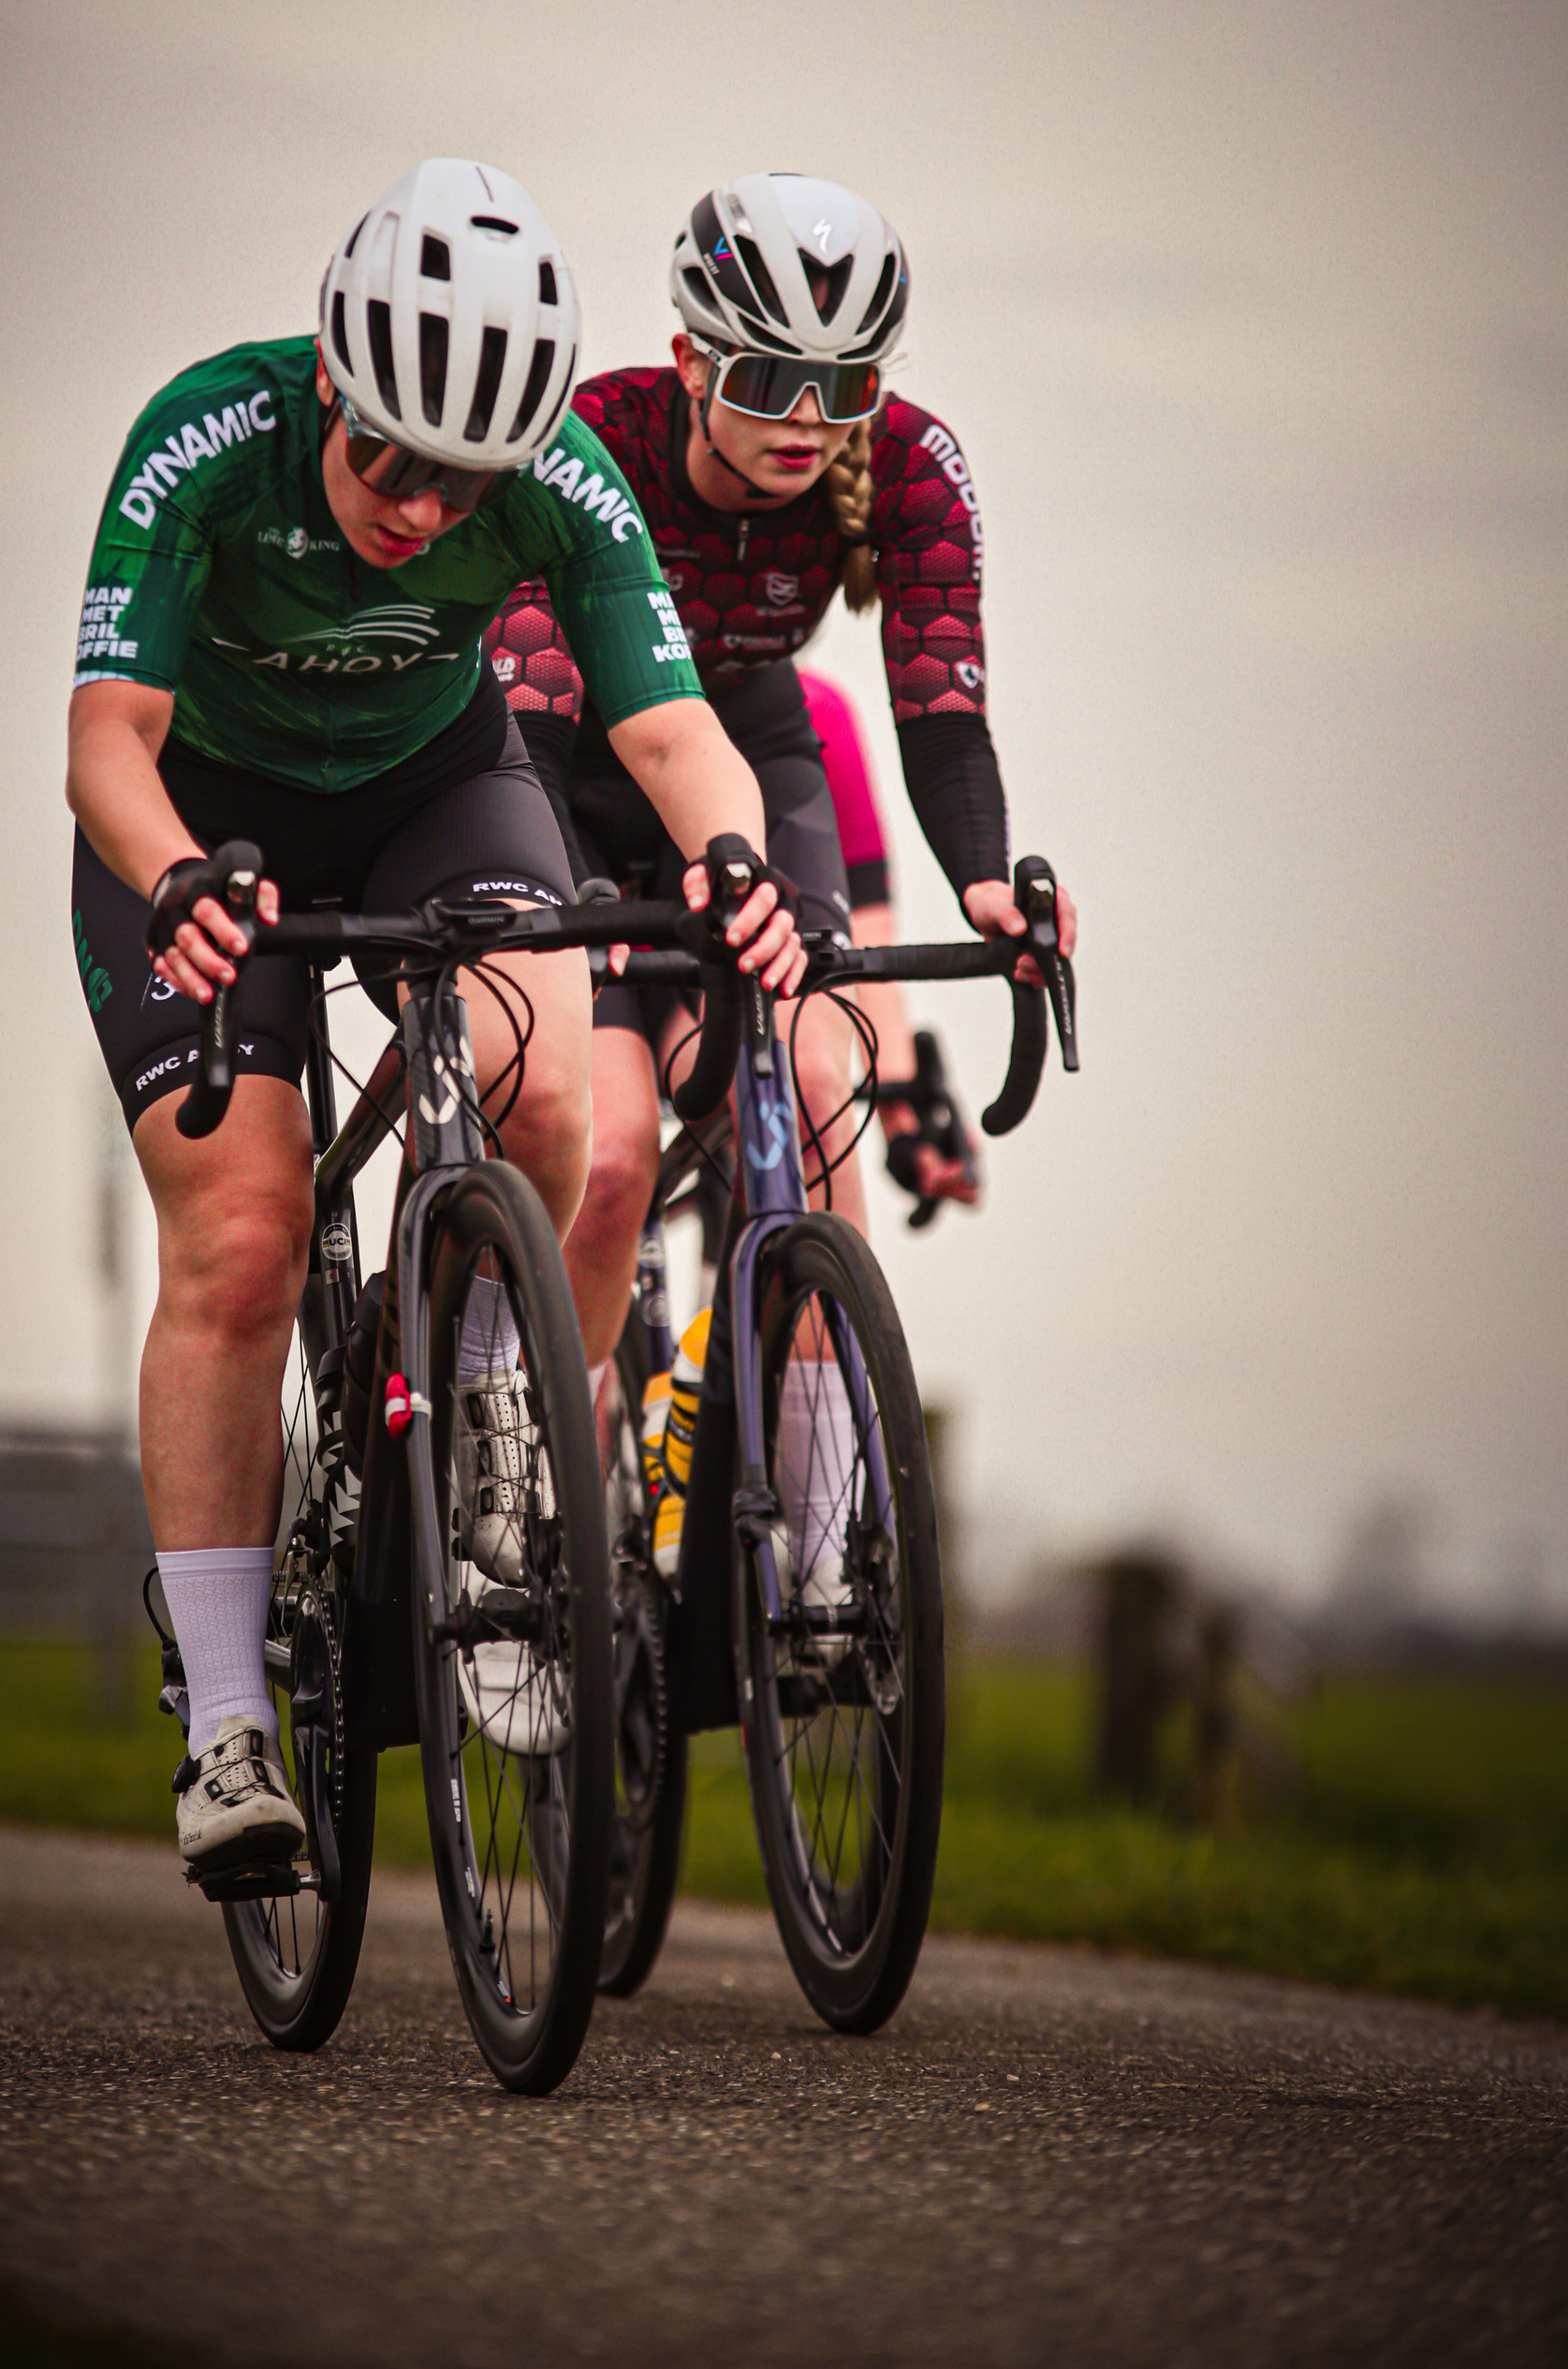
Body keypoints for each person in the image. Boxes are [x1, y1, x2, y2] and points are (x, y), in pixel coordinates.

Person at [66, 157, 801, 1871]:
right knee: (245, 1241)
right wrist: (177, 878)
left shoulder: (568, 479)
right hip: (194, 820)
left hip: (432, 785)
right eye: (388, 457)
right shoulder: (201, 442)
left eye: (465, 482)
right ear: (330, 380)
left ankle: (499, 1429)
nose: (416, 506)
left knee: (560, 1106)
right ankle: (235, 1719)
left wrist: (742, 868)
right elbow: (107, 742)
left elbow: (673, 731)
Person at [486, 171, 1077, 1592]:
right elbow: (528, 698)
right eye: (765, 378)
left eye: (844, 383)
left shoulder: (913, 467)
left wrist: (988, 886)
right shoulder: (593, 444)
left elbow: (937, 696)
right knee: (614, 1149)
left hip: (751, 747)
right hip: (562, 763)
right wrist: (601, 932)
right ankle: (518, 1491)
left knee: (823, 1084)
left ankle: (816, 1558)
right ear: (689, 360)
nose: (809, 421)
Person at [797, 666, 978, 1222]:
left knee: (806, 1099)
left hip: (757, 969)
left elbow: (865, 937)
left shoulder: (819, 709)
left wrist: (903, 1114)